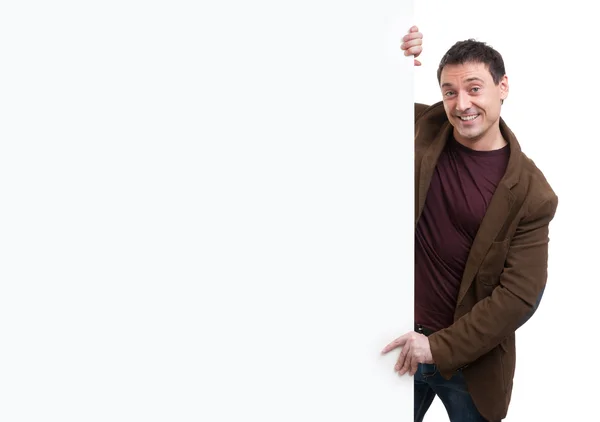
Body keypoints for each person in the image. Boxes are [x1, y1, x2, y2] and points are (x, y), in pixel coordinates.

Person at [380, 26, 558, 422]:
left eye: (474, 88)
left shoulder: (533, 193)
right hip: (395, 345)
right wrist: (393, 57)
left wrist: (437, 348)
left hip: (468, 364)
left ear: (503, 86)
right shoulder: (423, 126)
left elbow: (519, 296)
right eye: (449, 91)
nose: (461, 104)